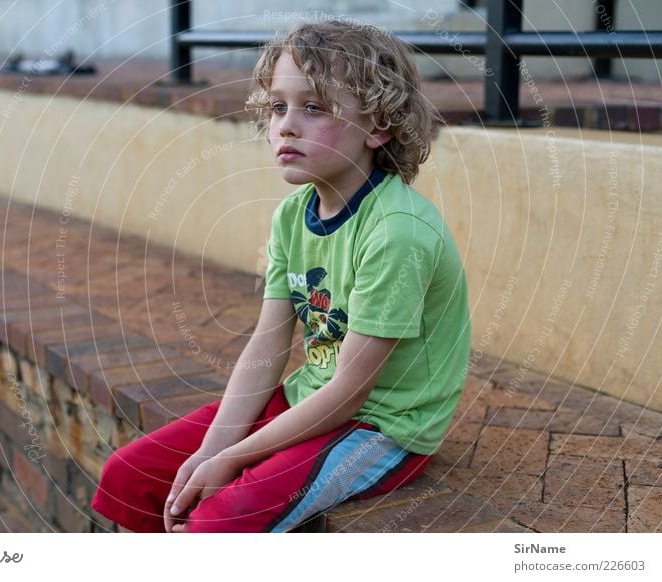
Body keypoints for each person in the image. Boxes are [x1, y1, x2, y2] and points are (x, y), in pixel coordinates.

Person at [90, 19, 471, 533]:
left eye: (314, 107)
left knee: (221, 522)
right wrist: (211, 451)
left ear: (378, 125)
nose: (286, 125)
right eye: (277, 106)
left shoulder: (397, 233)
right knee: (130, 475)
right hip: (308, 399)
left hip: (380, 427)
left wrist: (231, 461)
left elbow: (350, 394)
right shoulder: (294, 214)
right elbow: (264, 348)